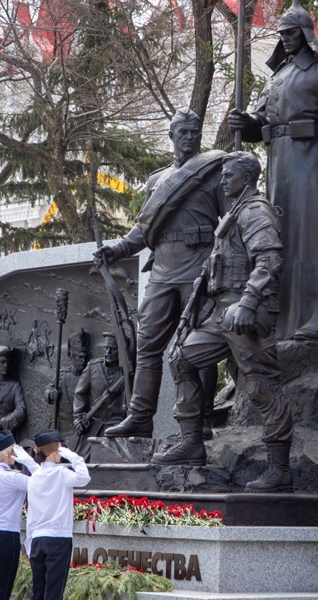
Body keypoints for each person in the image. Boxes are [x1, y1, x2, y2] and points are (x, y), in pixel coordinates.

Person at [227, 0, 318, 347]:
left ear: (306, 34)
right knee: (283, 241)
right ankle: (286, 322)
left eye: (292, 33)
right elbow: (261, 120)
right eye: (282, 34)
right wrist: (245, 123)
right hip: (278, 167)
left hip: (310, 164)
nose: (286, 39)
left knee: (315, 239)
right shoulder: (277, 77)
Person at [155, 152, 295, 493]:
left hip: (245, 312)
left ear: (245, 178)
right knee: (181, 359)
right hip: (220, 313)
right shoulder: (232, 213)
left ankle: (280, 468)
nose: (222, 181)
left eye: (228, 175)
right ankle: (192, 444)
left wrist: (248, 301)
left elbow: (269, 259)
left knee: (261, 386)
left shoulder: (255, 211)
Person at [99, 109, 224, 439]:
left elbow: (232, 220)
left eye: (194, 131)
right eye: (183, 131)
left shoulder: (214, 171)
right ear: (171, 135)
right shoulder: (157, 180)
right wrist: (119, 249)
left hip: (199, 266)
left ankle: (203, 419)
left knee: (198, 345)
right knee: (147, 346)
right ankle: (140, 417)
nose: (189, 136)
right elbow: (144, 228)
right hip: (163, 269)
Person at [25, 430, 91, 600]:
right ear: (55, 452)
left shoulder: (34, 477)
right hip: (58, 539)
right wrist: (73, 457)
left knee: (37, 592)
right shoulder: (61, 474)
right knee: (54, 592)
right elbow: (84, 477)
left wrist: (29, 542)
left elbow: (31, 513)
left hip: (37, 539)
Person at [0, 430, 38, 600]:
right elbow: (43, 481)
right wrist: (28, 460)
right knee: (0, 594)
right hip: (4, 538)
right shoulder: (12, 478)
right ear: (10, 453)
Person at [72, 333, 126, 450]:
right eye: (106, 348)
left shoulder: (127, 373)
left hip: (117, 427)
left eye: (113, 349)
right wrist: (78, 419)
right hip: (93, 426)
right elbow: (80, 394)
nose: (108, 352)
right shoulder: (92, 367)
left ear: (121, 351)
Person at [44, 329, 90, 436]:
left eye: (85, 357)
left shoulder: (89, 377)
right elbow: (47, 389)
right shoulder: (62, 374)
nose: (83, 360)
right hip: (60, 425)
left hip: (78, 427)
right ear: (71, 355)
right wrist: (51, 393)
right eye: (79, 357)